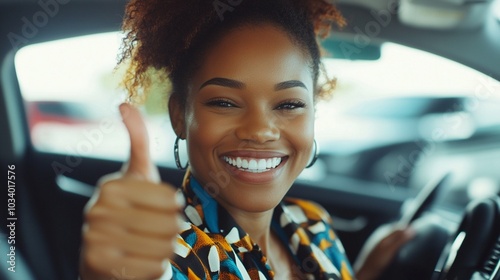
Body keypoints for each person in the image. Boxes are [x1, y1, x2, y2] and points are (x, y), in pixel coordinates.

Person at [79, 0, 415, 279]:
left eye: (289, 105)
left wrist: (364, 272)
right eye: (224, 102)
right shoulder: (176, 252)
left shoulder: (313, 223)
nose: (259, 130)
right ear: (179, 115)